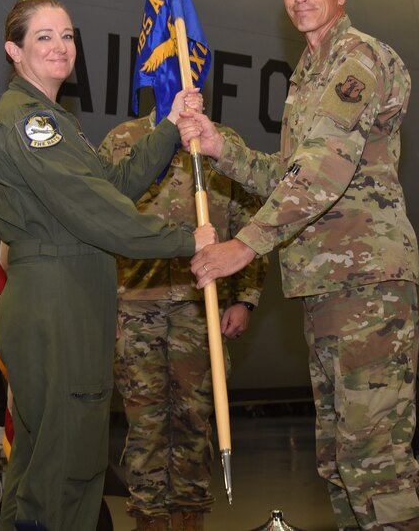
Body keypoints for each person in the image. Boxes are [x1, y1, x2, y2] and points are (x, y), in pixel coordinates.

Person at [186, 0, 419, 530]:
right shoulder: (309, 74)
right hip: (327, 288)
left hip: (366, 287)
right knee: (341, 463)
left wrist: (241, 246)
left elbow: (325, 172)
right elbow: (290, 173)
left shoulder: (356, 59)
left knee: (376, 467)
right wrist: (223, 148)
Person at [0, 0, 215, 531]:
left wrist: (167, 126)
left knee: (39, 463)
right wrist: (191, 240)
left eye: (67, 36)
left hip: (66, 297)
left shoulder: (52, 119)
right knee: (68, 465)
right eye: (44, 37)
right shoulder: (31, 125)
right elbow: (100, 214)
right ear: (14, 51)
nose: (61, 48)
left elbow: (110, 187)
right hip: (56, 300)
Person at [99, 113, 267, 531]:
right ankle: (149, 522)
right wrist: (103, 307)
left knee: (194, 421)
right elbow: (96, 222)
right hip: (135, 305)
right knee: (146, 425)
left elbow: (249, 224)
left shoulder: (220, 142)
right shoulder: (123, 140)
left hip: (200, 304)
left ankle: (189, 520)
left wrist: (244, 299)